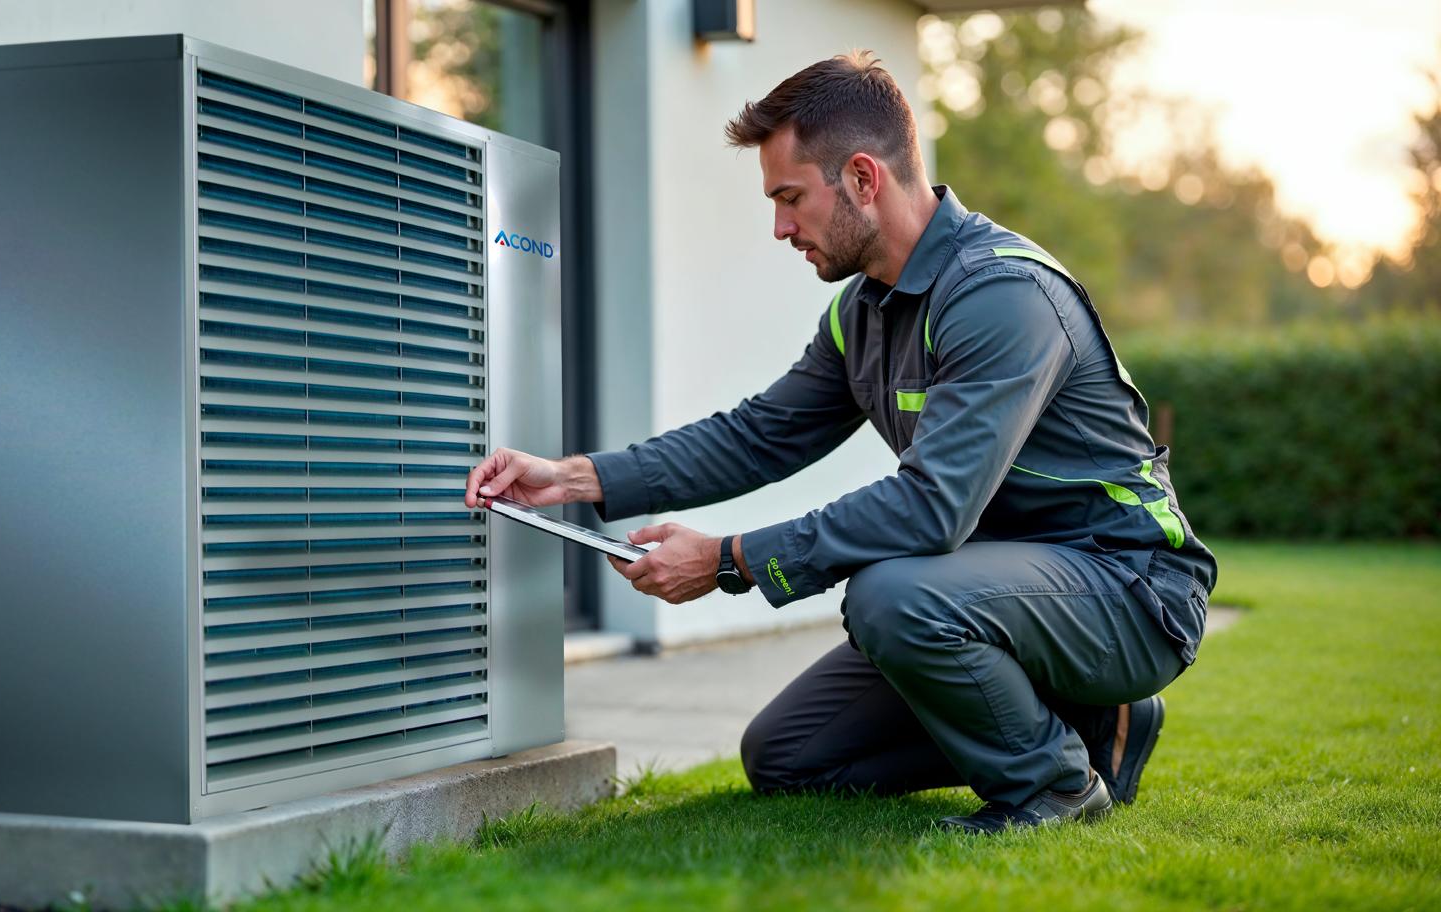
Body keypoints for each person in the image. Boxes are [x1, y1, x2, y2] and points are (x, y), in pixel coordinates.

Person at [464, 51, 1217, 834]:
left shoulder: (1003, 296)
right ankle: (1099, 724)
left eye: (791, 198)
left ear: (863, 178)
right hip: (992, 590)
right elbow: (758, 436)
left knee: (893, 597)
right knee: (790, 758)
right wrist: (574, 478)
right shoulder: (864, 311)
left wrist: (728, 559)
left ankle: (1051, 784)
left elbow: (932, 510)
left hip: (1127, 588)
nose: (781, 228)